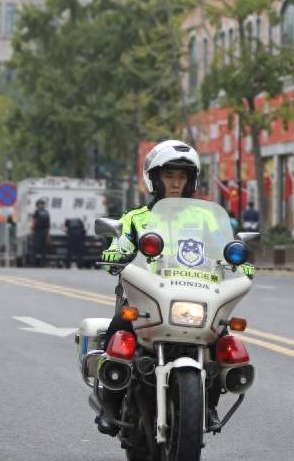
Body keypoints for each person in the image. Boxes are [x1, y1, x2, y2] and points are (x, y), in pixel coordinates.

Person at [96, 139, 230, 436]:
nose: (175, 183)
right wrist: (114, 253)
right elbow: (118, 247)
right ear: (155, 178)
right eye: (169, 176)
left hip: (194, 295)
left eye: (182, 177)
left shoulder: (206, 217)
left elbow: (225, 247)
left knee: (221, 335)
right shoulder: (135, 219)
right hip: (145, 299)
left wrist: (240, 260)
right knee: (119, 329)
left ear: (191, 180)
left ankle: (208, 403)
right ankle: (110, 403)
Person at [30, 198, 50, 267]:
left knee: (43, 249)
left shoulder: (45, 212)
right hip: (38, 231)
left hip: (42, 232)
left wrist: (47, 235)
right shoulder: (38, 212)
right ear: (37, 205)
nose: (41, 206)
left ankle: (42, 263)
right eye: (39, 204)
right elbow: (34, 221)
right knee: (36, 248)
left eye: (42, 204)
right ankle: (33, 263)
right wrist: (32, 230)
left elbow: (48, 225)